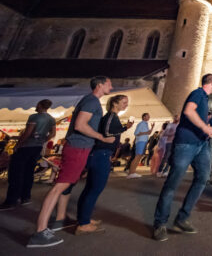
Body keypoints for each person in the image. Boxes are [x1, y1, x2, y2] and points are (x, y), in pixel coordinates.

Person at [27, 76, 114, 248]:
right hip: (77, 148)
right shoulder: (92, 101)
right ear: (100, 85)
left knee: (63, 186)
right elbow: (80, 125)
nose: (112, 86)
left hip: (79, 148)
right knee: (59, 187)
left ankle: (51, 224)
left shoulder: (91, 101)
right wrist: (100, 137)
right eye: (109, 84)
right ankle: (40, 231)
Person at [153, 74, 212, 242]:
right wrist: (204, 127)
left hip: (201, 144)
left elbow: (195, 116)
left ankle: (182, 218)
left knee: (202, 178)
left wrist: (207, 128)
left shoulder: (204, 98)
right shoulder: (198, 93)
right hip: (186, 144)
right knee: (173, 184)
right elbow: (188, 111)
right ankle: (160, 223)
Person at [76, 95, 132, 235]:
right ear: (115, 103)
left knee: (90, 189)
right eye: (124, 102)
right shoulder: (111, 116)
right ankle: (83, 224)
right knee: (94, 190)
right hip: (101, 155)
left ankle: (84, 219)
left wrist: (124, 127)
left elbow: (111, 129)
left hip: (101, 154)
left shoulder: (113, 117)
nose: (126, 105)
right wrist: (111, 137)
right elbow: (107, 131)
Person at [1, 99, 56, 211]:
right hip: (37, 147)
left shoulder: (34, 117)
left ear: (39, 105)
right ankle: (25, 197)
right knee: (28, 172)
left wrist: (18, 145)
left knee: (16, 174)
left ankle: (11, 201)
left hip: (26, 147)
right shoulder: (51, 119)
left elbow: (27, 133)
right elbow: (53, 133)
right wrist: (43, 140)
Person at [127, 113, 154, 179]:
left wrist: (152, 127)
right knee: (137, 157)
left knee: (139, 157)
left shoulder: (146, 124)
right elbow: (136, 133)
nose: (149, 117)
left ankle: (133, 172)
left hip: (144, 142)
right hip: (140, 142)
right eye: (148, 116)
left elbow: (149, 133)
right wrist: (145, 133)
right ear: (144, 117)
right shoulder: (141, 124)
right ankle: (131, 173)